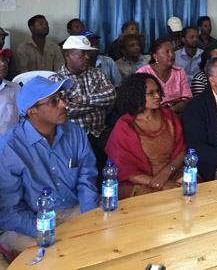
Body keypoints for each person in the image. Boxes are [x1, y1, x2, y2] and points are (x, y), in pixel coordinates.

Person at [0, 76, 98, 256]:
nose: (63, 104)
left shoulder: (75, 133)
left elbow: (87, 181)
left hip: (75, 210)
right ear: (31, 111)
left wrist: (90, 219)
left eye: (61, 98)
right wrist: (47, 231)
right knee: (53, 255)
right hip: (33, 221)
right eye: (54, 101)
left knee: (104, 235)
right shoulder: (10, 148)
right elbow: (9, 209)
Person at [105, 73, 186, 198]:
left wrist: (167, 172)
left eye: (158, 91)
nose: (158, 96)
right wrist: (159, 183)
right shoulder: (125, 126)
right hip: (143, 182)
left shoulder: (169, 117)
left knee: (193, 190)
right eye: (151, 93)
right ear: (136, 96)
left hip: (173, 173)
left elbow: (182, 150)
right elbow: (124, 169)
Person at [49, 36, 117, 182]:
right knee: (83, 172)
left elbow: (111, 96)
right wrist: (98, 100)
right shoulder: (57, 79)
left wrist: (79, 100)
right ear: (67, 55)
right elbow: (65, 110)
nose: (87, 57)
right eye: (82, 53)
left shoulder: (97, 73)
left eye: (88, 53)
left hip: (100, 130)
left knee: (119, 148)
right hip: (73, 135)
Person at [137, 39, 191, 114]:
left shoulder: (179, 72)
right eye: (167, 52)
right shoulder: (143, 73)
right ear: (155, 56)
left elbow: (187, 99)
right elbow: (139, 102)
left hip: (177, 113)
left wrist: (170, 111)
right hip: (151, 115)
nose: (171, 55)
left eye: (173, 51)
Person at [0, 49, 19, 136]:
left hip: (12, 141)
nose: (3, 64)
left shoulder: (15, 88)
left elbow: (24, 119)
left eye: (4, 60)